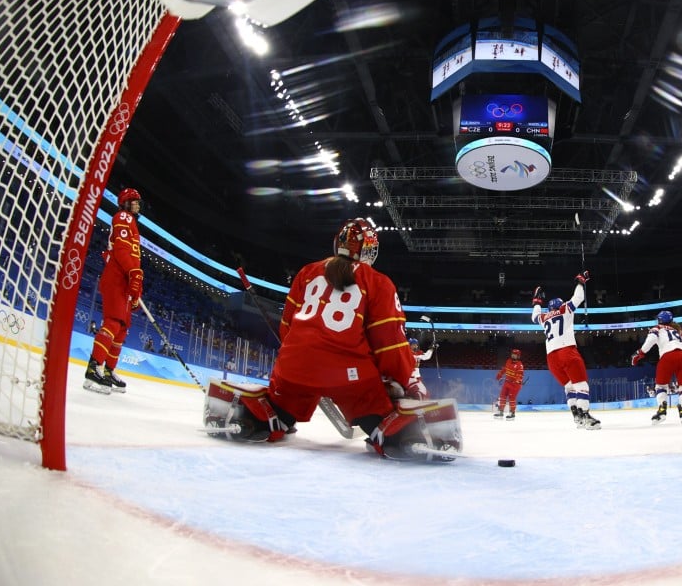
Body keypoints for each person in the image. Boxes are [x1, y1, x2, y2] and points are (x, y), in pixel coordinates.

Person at [203, 218, 462, 462]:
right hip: (350, 377)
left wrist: (301, 361)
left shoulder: (307, 272)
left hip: (293, 369)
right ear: (370, 251)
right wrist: (405, 382)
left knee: (279, 408)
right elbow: (390, 344)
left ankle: (256, 417)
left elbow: (287, 327)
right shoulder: (378, 282)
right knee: (381, 417)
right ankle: (398, 434)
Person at [85, 188, 144, 395]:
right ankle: (93, 369)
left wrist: (136, 289)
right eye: (134, 201)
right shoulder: (123, 217)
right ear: (125, 203)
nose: (138, 204)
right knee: (112, 322)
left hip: (125, 280)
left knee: (122, 328)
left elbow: (134, 259)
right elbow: (120, 249)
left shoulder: (132, 222)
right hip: (116, 277)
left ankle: (108, 371)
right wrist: (133, 272)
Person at [532, 270, 601, 429]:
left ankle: (576, 416)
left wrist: (536, 301)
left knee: (569, 386)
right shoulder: (564, 309)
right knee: (582, 386)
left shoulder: (544, 318)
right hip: (567, 352)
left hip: (551, 358)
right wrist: (580, 281)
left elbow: (534, 316)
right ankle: (586, 417)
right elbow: (579, 298)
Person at [630, 311, 682, 424]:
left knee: (661, 385)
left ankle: (661, 411)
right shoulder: (678, 330)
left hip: (667, 356)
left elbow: (651, 341)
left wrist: (640, 353)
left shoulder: (657, 328)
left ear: (659, 320)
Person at [494, 348, 525, 420]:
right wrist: (500, 374)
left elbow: (520, 374)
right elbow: (505, 369)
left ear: (518, 356)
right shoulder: (508, 361)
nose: (513, 356)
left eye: (515, 355)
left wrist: (517, 380)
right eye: (512, 354)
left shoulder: (519, 365)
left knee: (512, 398)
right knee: (502, 396)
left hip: (515, 385)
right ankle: (500, 412)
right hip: (507, 382)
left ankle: (512, 413)